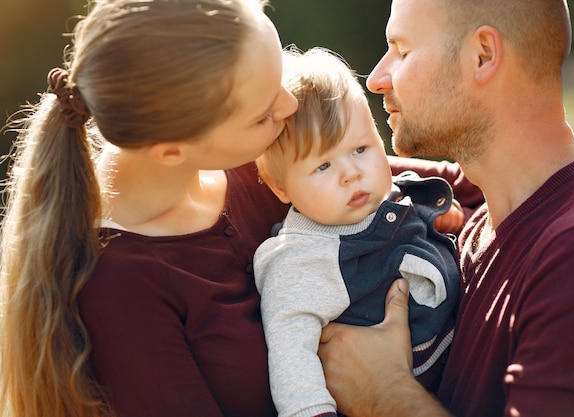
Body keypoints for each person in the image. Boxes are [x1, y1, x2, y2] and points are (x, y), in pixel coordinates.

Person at [0, 1, 486, 416]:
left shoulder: (260, 157)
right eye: (261, 112)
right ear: (173, 151)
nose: (288, 107)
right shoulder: (121, 288)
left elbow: (467, 183)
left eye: (278, 78)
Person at [317, 1, 574, 417]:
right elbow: (311, 165)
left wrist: (386, 395)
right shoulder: (481, 213)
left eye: (402, 51)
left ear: (482, 55)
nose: (376, 79)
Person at [254, 47, 463, 417]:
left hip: (454, 372)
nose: (351, 172)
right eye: (322, 166)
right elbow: (292, 357)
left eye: (361, 148)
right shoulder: (303, 260)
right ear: (280, 188)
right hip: (396, 396)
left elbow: (406, 194)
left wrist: (438, 215)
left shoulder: (381, 194)